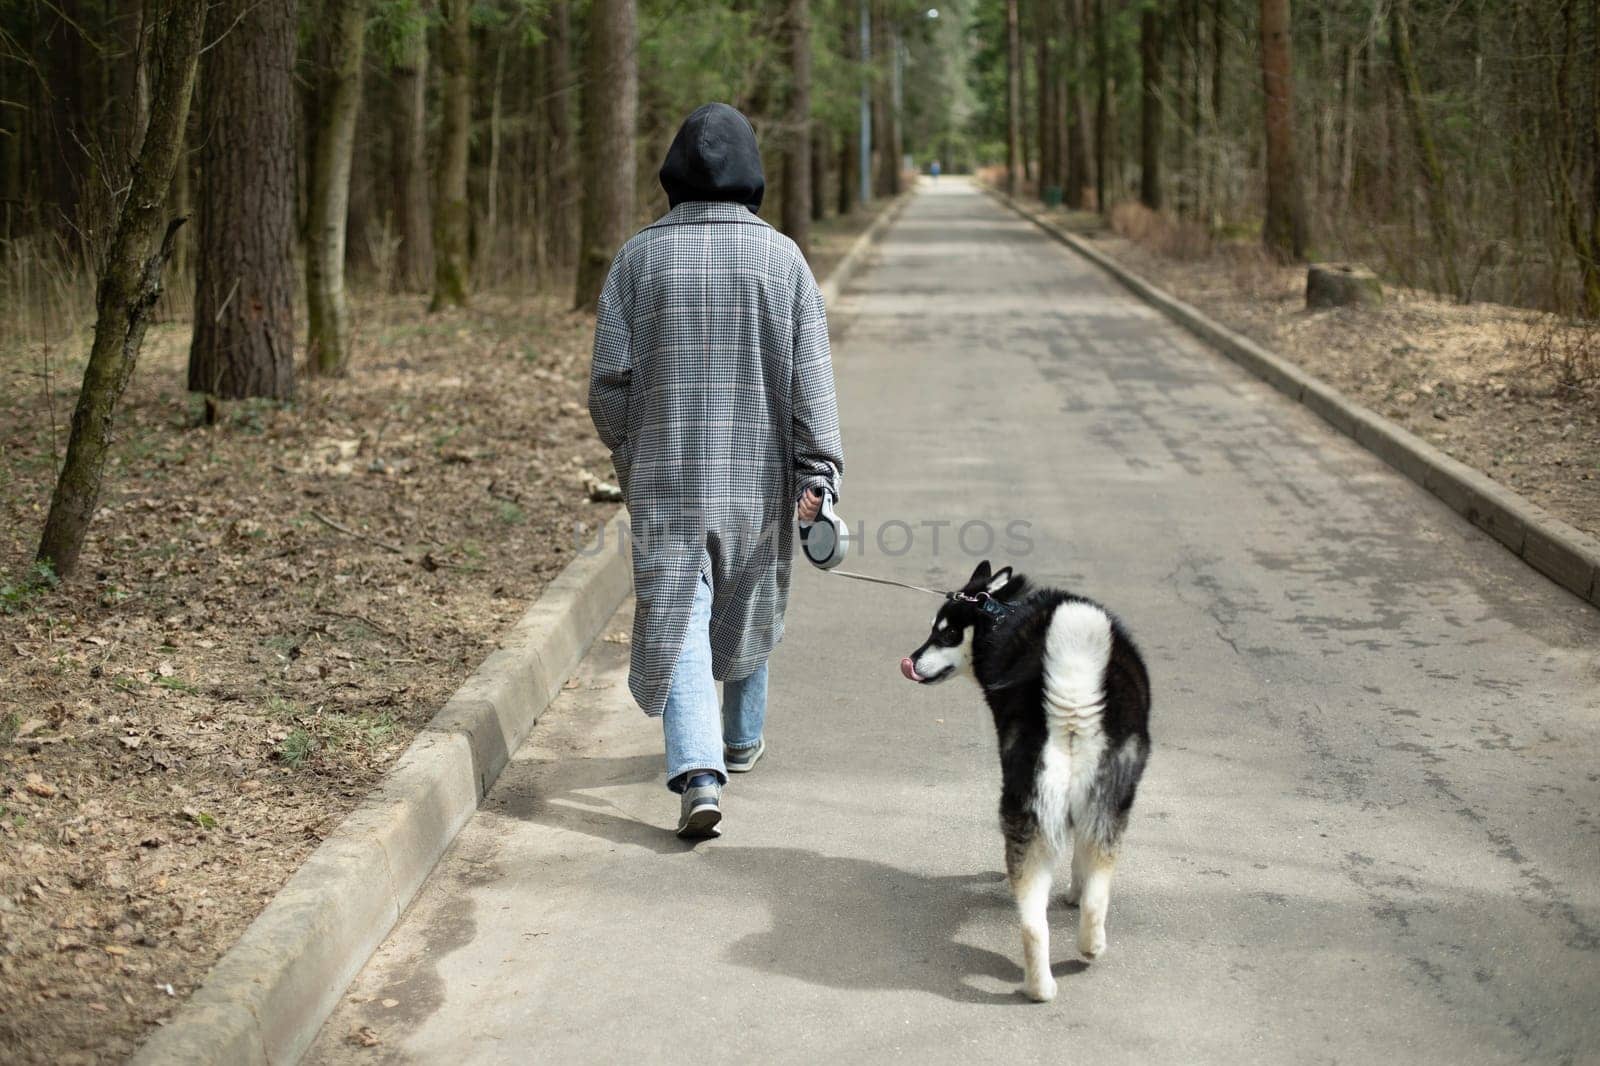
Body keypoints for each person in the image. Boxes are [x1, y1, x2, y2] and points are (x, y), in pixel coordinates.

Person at [588, 103, 845, 840]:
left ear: (673, 178)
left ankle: (702, 770)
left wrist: (634, 456)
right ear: (751, 178)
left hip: (666, 478)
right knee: (750, 595)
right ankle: (737, 742)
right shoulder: (784, 260)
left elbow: (610, 384)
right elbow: (811, 385)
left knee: (680, 612)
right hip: (757, 477)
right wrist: (817, 476)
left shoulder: (639, 260)